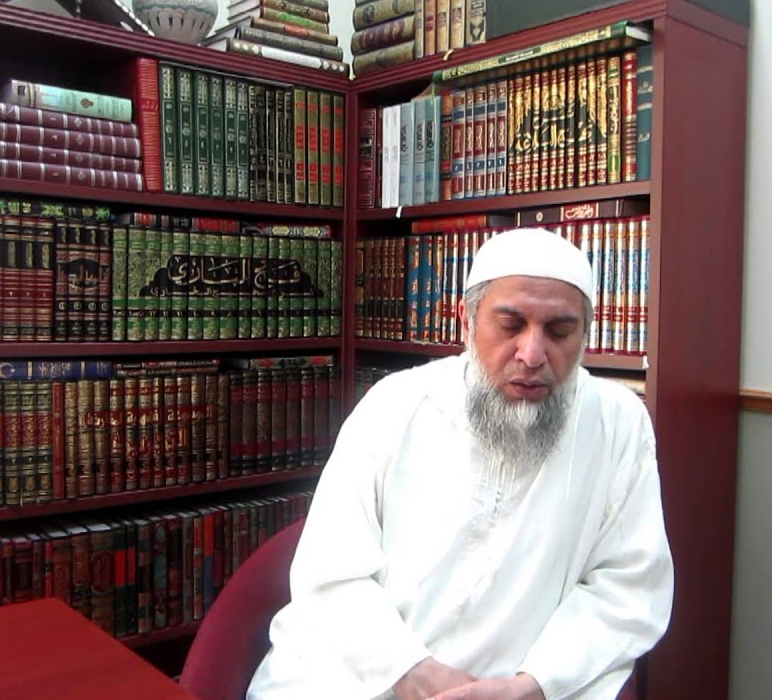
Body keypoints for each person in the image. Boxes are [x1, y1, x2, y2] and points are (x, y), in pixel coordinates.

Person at [247, 228, 674, 700]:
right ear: (465, 323)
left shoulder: (616, 423)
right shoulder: (396, 404)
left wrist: (533, 686)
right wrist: (411, 673)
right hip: (360, 679)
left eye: (559, 332)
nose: (532, 354)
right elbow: (331, 572)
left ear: (585, 335)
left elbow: (629, 587)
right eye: (510, 325)